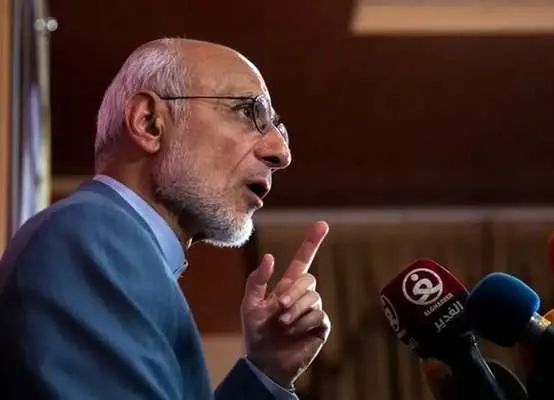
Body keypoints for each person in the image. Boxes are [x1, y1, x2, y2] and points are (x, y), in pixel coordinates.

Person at [0, 38, 331, 399]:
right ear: (149, 123)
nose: (281, 152)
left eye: (278, 128)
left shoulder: (111, 247)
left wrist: (266, 372)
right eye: (247, 111)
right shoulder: (90, 237)